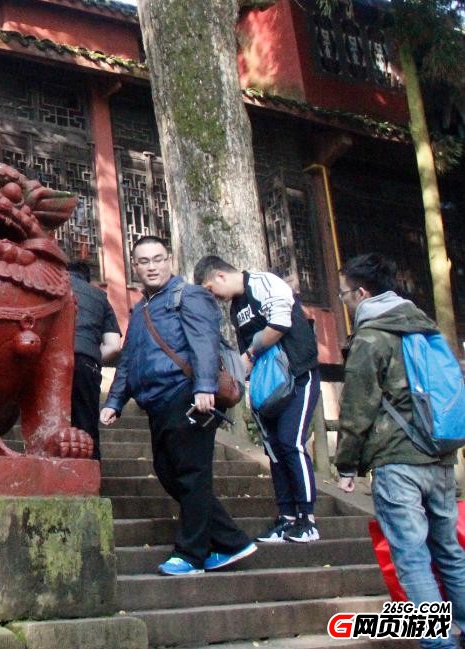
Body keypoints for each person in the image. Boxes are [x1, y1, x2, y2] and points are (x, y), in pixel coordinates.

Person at [100, 235, 256, 576]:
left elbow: (204, 342)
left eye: (158, 259)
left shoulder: (190, 295)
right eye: (144, 261)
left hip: (186, 396)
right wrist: (114, 401)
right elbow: (129, 359)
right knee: (168, 472)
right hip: (156, 403)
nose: (152, 266)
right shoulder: (140, 310)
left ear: (169, 260)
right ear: (135, 266)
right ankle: (231, 541)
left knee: (191, 474)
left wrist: (204, 386)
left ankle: (191, 554)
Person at [335, 253, 465, 649]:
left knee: (411, 557)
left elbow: (358, 406)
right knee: (450, 552)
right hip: (439, 456)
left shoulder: (371, 336)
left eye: (344, 295)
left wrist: (347, 465)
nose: (345, 302)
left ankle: (437, 642)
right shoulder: (423, 327)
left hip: (397, 461)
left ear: (361, 293)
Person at [194, 255, 321, 543]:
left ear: (220, 276)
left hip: (298, 374)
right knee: (274, 448)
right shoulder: (236, 308)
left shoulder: (265, 283)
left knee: (291, 442)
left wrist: (250, 354)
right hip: (266, 386)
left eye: (211, 290)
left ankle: (307, 519)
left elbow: (279, 324)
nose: (214, 297)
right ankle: (287, 517)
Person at [68, 261, 122, 461]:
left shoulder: (50, 287)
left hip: (52, 363)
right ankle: (90, 473)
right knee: (86, 426)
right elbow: (114, 345)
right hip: (87, 363)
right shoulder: (99, 296)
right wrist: (90, 353)